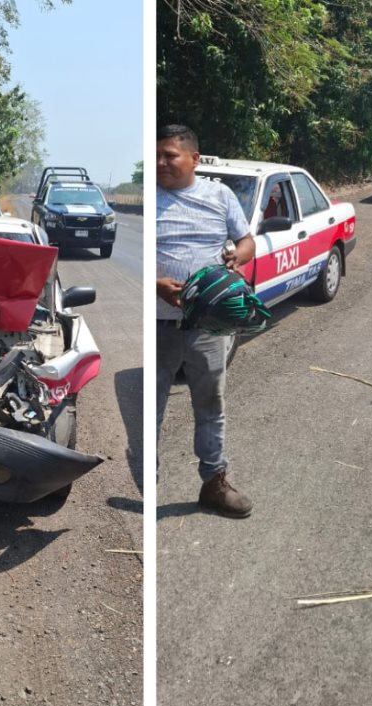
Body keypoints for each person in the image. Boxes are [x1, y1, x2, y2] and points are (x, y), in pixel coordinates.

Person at [156, 124, 256, 518]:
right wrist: (154, 285)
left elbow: (247, 239)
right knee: (153, 409)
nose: (162, 163)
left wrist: (239, 257)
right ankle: (150, 481)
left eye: (170, 156)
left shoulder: (219, 195)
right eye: (158, 156)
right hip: (159, 326)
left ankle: (214, 484)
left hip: (209, 326)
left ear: (193, 159)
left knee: (210, 404)